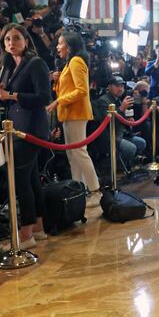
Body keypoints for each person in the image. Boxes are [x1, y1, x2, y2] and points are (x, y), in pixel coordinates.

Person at [0, 24, 50, 248]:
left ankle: (26, 234)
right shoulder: (7, 66)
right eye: (7, 39)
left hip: (31, 129)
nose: (11, 43)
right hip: (15, 127)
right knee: (32, 177)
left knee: (20, 179)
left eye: (16, 39)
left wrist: (13, 95)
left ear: (26, 41)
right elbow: (4, 99)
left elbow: (43, 97)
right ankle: (38, 226)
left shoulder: (35, 64)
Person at [46, 31, 101, 207]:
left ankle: (94, 190)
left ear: (69, 45)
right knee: (73, 154)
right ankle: (79, 189)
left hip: (76, 114)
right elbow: (68, 88)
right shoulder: (70, 63)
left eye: (60, 43)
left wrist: (58, 101)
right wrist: (56, 81)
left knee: (79, 152)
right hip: (70, 114)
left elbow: (81, 90)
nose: (57, 47)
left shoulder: (76, 61)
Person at [94, 76, 146, 171]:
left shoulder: (118, 99)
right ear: (109, 87)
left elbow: (120, 119)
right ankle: (112, 167)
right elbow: (106, 121)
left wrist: (128, 121)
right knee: (131, 148)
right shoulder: (103, 101)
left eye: (122, 86)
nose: (120, 89)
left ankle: (126, 165)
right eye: (117, 86)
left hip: (122, 133)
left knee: (142, 143)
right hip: (110, 136)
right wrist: (122, 108)